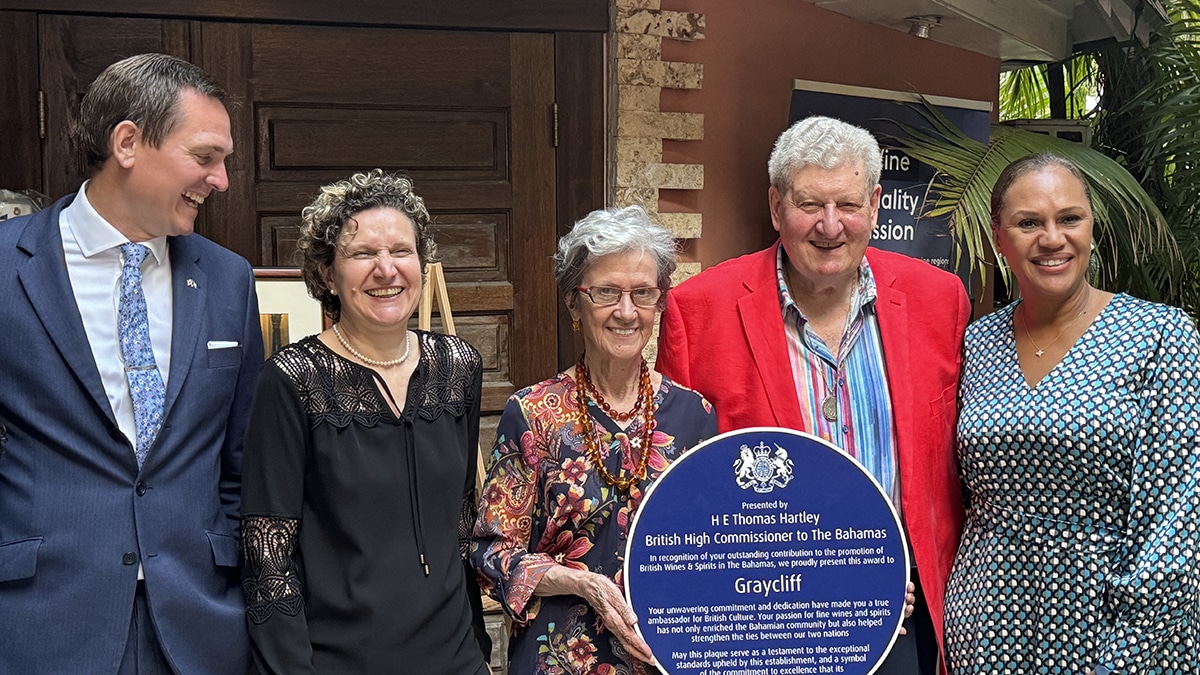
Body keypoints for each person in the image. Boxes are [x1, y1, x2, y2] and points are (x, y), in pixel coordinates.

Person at [656, 116, 970, 674]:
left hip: (908, 615)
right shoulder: (700, 311)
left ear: (874, 204)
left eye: (848, 205)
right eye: (809, 205)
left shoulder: (939, 301)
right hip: (767, 621)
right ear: (776, 207)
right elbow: (678, 484)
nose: (830, 226)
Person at [0, 53, 260, 673]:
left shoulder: (228, 280)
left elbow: (240, 460)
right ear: (127, 142)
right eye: (205, 157)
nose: (221, 180)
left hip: (200, 625)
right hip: (40, 621)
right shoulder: (7, 267)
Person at [944, 153, 1200, 674]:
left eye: (1069, 218)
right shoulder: (978, 341)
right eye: (1028, 222)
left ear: (1091, 226)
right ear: (999, 237)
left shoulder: (1159, 336)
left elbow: (1177, 520)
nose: (1052, 238)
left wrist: (1127, 651)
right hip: (987, 621)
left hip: (1114, 625)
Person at [239, 169, 491, 674]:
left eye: (402, 250)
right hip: (341, 661)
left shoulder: (459, 367)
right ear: (328, 274)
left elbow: (461, 526)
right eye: (362, 254)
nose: (386, 269)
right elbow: (268, 558)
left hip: (455, 658)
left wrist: (479, 653)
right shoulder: (291, 382)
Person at [471, 205, 718, 674]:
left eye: (642, 293)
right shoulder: (532, 415)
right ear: (573, 303)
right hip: (560, 660)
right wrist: (583, 584)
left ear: (659, 302)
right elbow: (490, 555)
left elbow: (720, 547)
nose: (626, 312)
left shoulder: (695, 416)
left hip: (666, 659)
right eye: (606, 292)